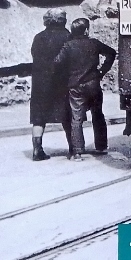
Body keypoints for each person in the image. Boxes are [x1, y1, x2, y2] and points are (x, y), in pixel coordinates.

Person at [52, 17, 117, 159]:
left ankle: (78, 152)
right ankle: (101, 146)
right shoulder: (94, 43)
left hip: (75, 85)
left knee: (76, 118)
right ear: (86, 30)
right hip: (93, 83)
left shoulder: (68, 46)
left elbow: (57, 62)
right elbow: (111, 53)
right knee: (98, 114)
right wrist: (102, 71)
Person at [29, 8, 72, 161]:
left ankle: (37, 150)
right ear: (63, 20)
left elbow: (35, 55)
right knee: (68, 115)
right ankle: (73, 148)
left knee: (38, 117)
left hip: (41, 82)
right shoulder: (68, 36)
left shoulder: (39, 37)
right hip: (62, 82)